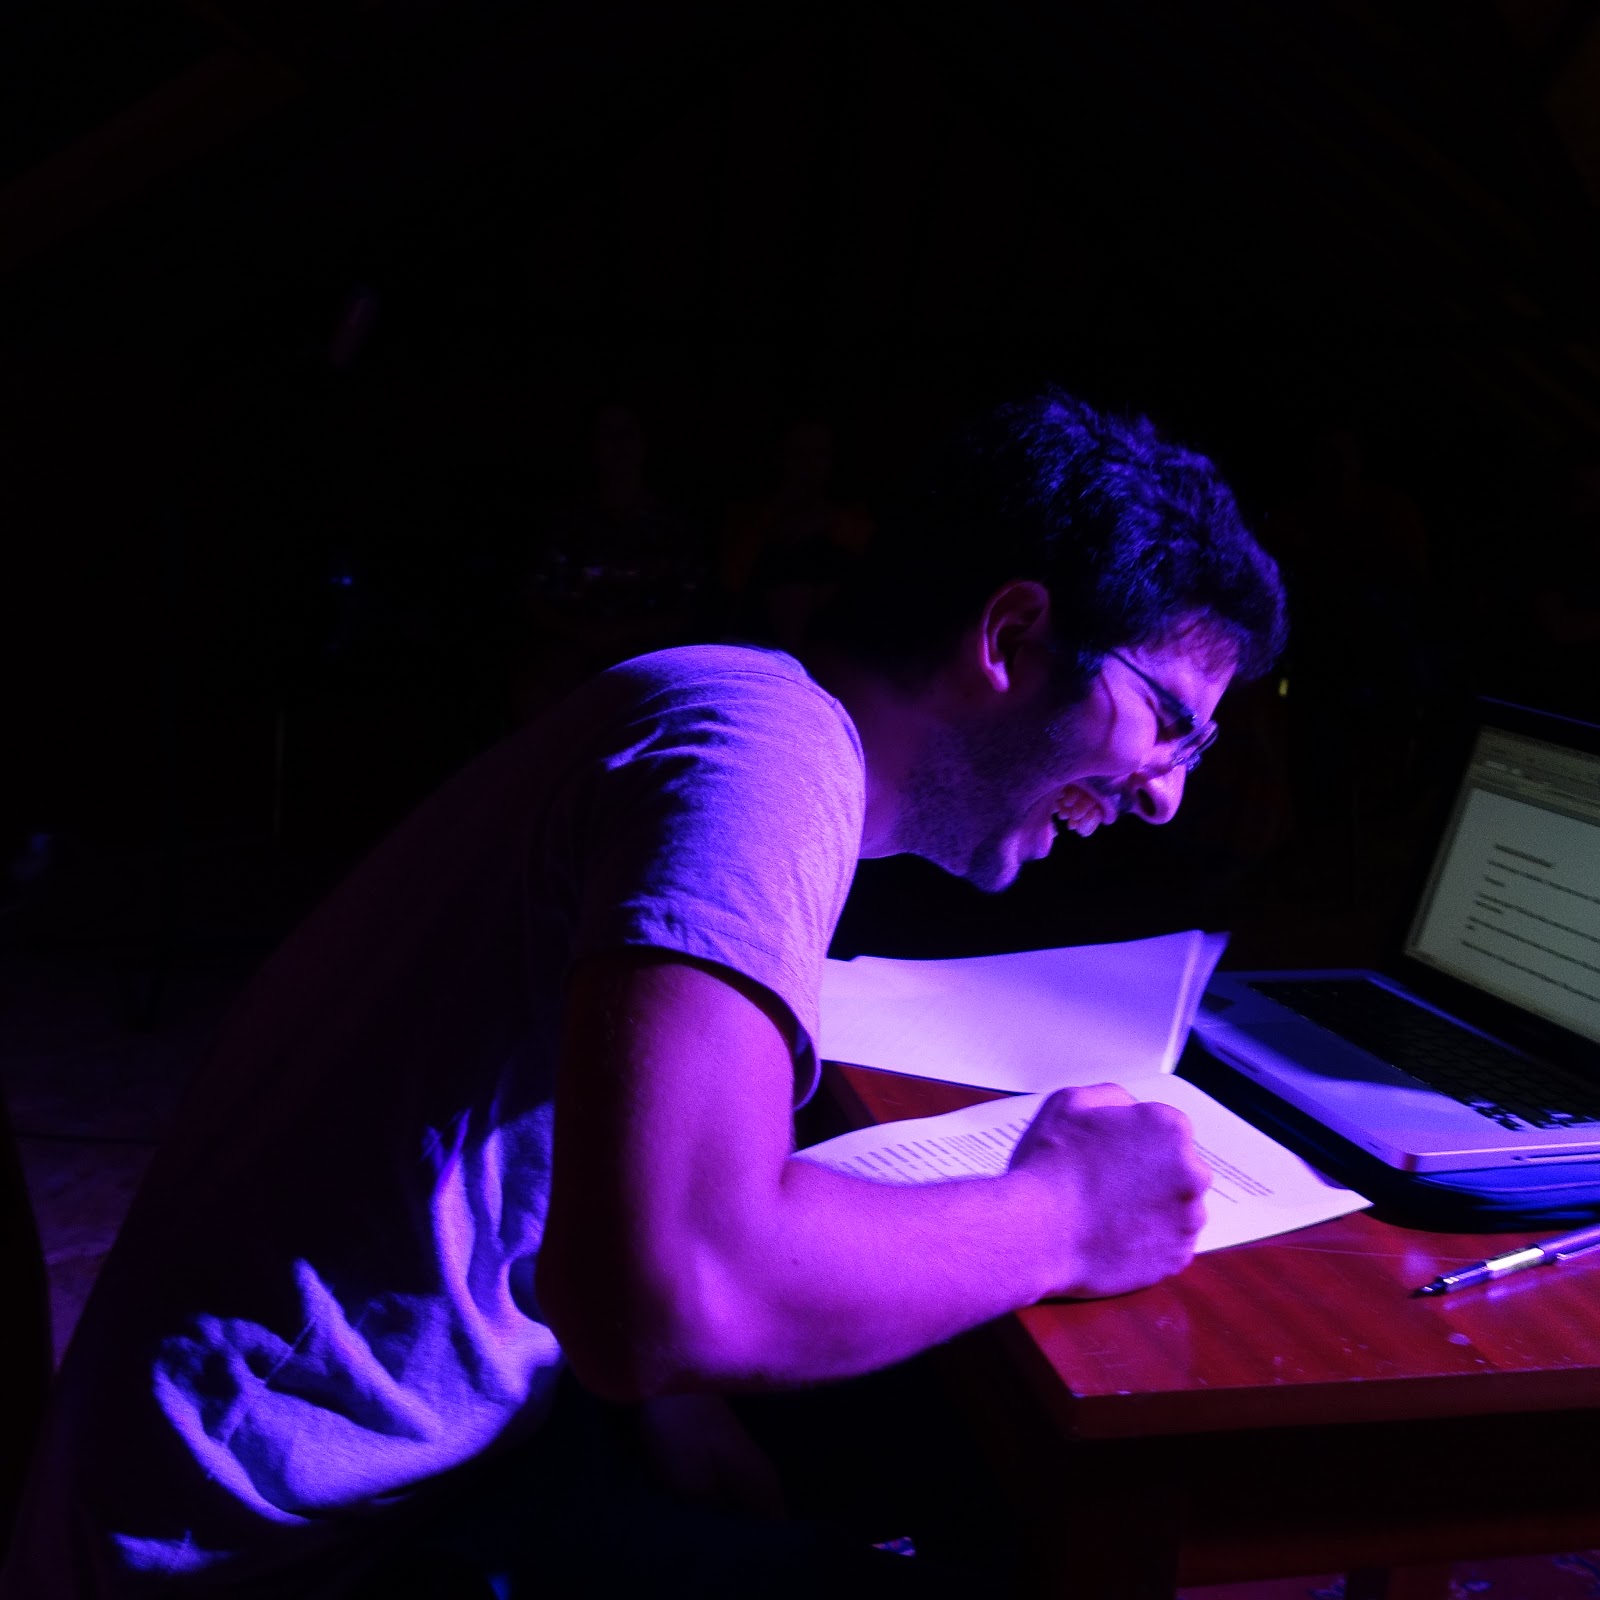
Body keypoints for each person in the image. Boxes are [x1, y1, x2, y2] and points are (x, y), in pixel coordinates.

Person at [1, 389, 1286, 1599]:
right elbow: (680, 1288)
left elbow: (591, 1208)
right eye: (1167, 720)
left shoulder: (734, 713)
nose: (1167, 793)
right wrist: (1066, 1211)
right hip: (285, 1544)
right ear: (1008, 637)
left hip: (324, 1476)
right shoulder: (761, 756)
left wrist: (672, 1394)